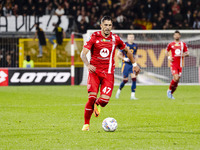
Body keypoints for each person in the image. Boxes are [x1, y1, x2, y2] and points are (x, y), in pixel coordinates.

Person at [80, 16, 140, 131]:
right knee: (91, 97)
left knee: (104, 102)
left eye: (110, 25)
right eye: (105, 25)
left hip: (108, 74)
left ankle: (97, 104)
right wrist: (88, 65)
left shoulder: (115, 38)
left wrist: (134, 64)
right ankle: (86, 124)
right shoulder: (94, 36)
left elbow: (127, 51)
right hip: (95, 72)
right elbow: (83, 54)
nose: (108, 27)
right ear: (101, 25)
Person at [166, 30, 189, 99]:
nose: (176, 36)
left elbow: (187, 53)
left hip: (180, 65)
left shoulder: (183, 44)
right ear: (174, 36)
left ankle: (171, 93)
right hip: (173, 64)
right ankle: (169, 90)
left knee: (177, 80)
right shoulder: (170, 44)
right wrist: (169, 57)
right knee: (176, 78)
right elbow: (166, 51)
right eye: (175, 35)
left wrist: (184, 54)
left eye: (177, 35)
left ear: (180, 36)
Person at [115, 34, 139, 100]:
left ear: (134, 38)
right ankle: (118, 91)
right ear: (127, 38)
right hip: (125, 64)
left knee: (134, 79)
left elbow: (136, 55)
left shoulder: (135, 46)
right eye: (130, 37)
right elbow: (118, 55)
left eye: (132, 37)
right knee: (125, 80)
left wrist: (135, 63)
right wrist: (124, 58)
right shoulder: (124, 45)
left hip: (132, 65)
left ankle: (132, 96)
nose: (131, 38)